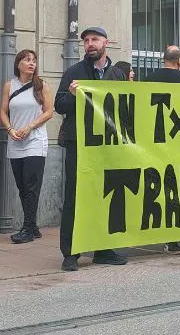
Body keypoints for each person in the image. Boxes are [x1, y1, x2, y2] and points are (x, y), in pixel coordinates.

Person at [55, 26, 128, 271]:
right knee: (75, 196)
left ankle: (103, 249)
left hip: (107, 145)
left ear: (106, 42)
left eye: (94, 39)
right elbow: (59, 104)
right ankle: (71, 253)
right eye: (86, 40)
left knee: (105, 195)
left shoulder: (117, 74)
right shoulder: (74, 72)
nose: (89, 44)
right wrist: (74, 95)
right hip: (79, 144)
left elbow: (124, 106)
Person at [3, 49, 55, 244]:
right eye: (27, 60)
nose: (31, 63)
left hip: (35, 140)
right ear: (18, 64)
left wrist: (29, 126)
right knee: (22, 186)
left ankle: (27, 227)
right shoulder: (10, 86)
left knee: (32, 184)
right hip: (15, 140)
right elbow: (2, 111)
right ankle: (33, 226)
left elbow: (49, 112)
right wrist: (10, 130)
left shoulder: (42, 86)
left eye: (34, 60)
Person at [143, 46, 180, 254]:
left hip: (155, 142)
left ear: (163, 59)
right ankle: (172, 238)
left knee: (156, 188)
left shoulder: (148, 79)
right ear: (179, 61)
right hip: (179, 142)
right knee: (176, 188)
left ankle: (156, 230)